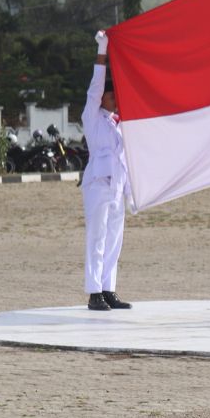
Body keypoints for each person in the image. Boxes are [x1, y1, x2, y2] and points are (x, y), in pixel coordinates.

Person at [81, 31, 133, 311]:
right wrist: (102, 51)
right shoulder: (92, 116)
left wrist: (131, 193)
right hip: (98, 185)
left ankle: (108, 288)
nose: (114, 99)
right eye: (110, 95)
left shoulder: (119, 124)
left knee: (114, 239)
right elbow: (95, 87)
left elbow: (125, 159)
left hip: (117, 187)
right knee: (97, 238)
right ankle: (94, 293)